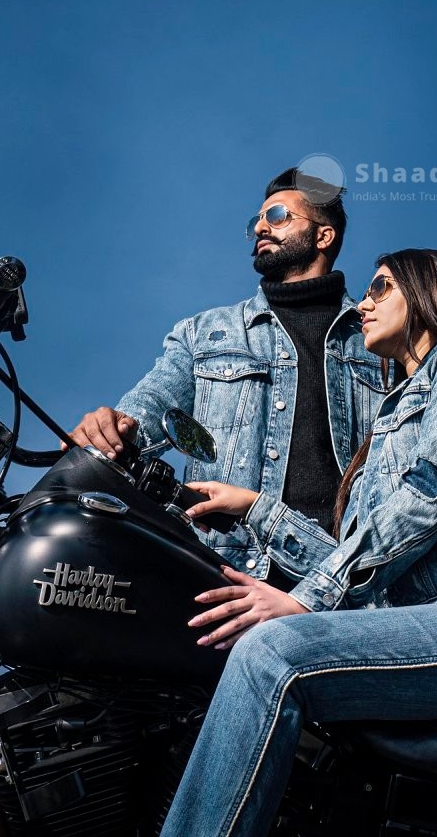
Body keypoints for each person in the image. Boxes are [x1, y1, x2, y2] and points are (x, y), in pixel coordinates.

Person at [158, 248, 437, 837]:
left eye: (380, 288)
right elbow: (355, 549)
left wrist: (304, 602)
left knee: (272, 652)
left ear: (432, 293)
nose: (365, 305)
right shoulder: (390, 415)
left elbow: (428, 492)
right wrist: (254, 509)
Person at [71, 168, 385, 583]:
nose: (259, 227)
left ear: (323, 236)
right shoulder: (204, 333)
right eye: (255, 220)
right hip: (218, 568)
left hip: (340, 576)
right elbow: (145, 411)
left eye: (276, 216)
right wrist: (109, 428)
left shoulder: (378, 339)